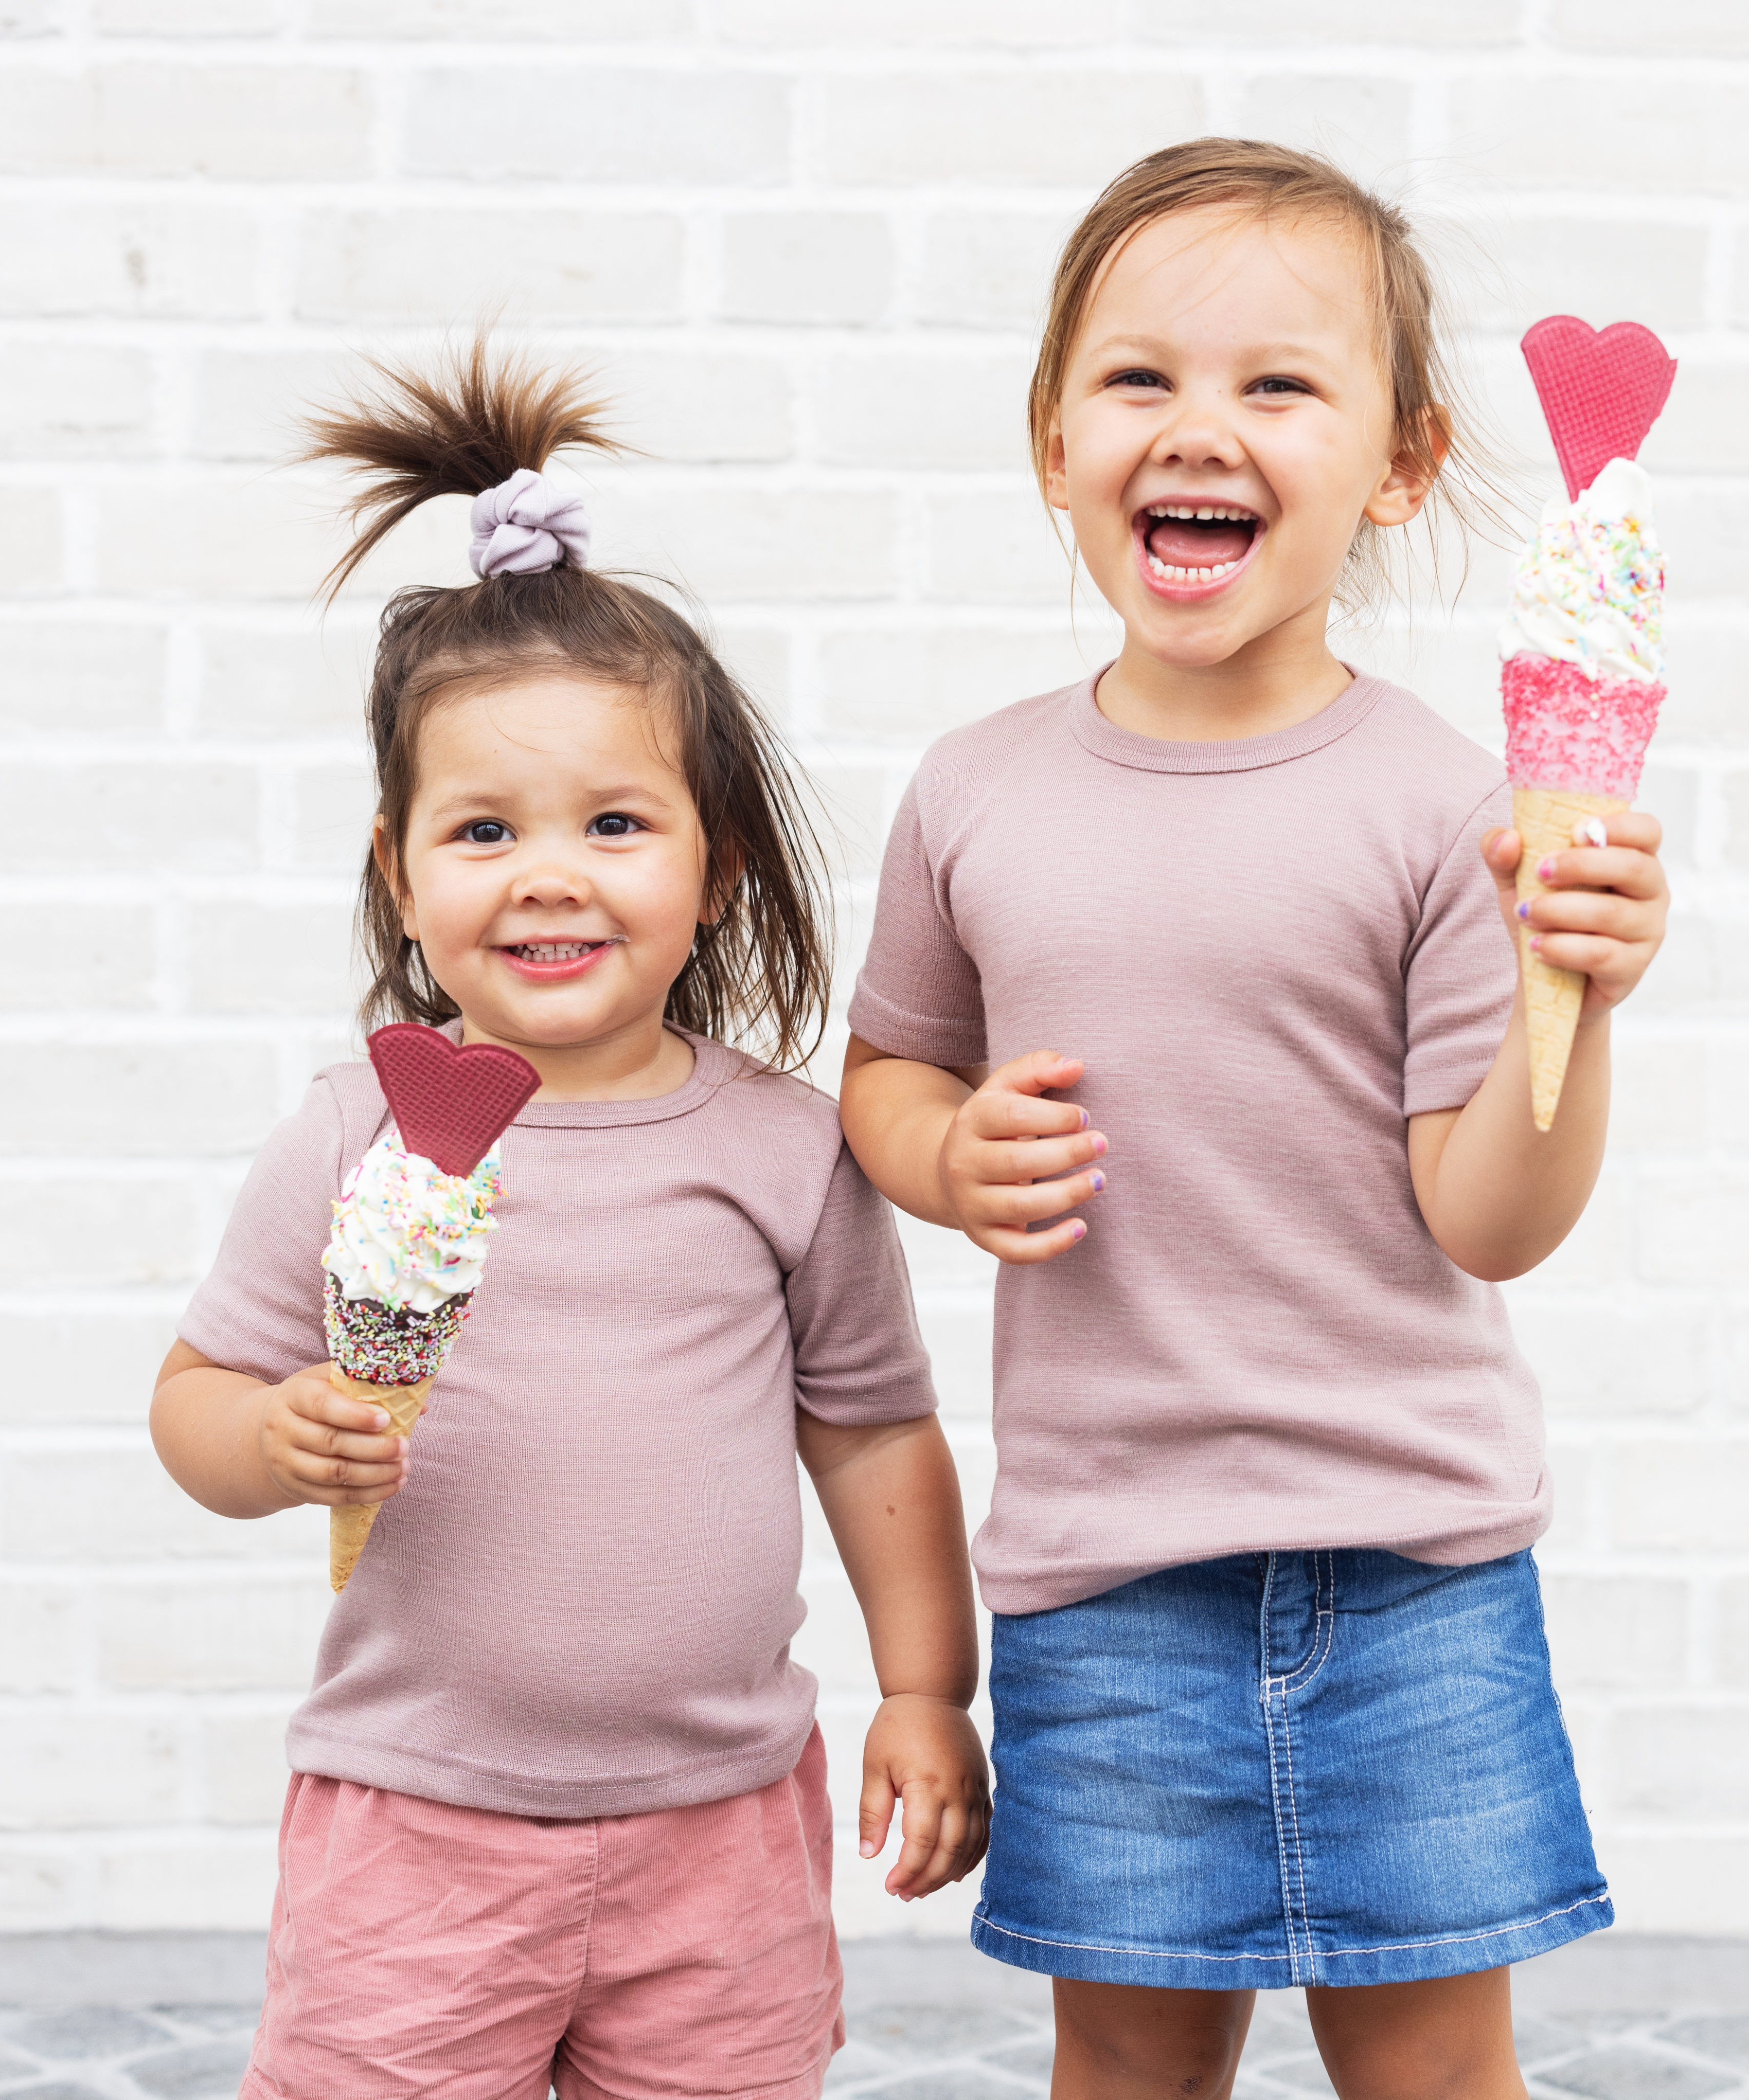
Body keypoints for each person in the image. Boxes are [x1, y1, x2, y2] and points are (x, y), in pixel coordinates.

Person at [836, 140, 1672, 2099]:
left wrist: (1582, 1000)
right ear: (1052, 444)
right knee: (1125, 2065)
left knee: (1434, 2070)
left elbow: (1489, 1214)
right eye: (1138, 380)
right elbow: (884, 1070)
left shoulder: (1456, 809)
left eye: (1277, 384)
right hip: (1103, 1574)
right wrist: (941, 1154)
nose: (1196, 427)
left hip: (1413, 1571)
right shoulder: (971, 795)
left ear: (1398, 460)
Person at [149, 343, 988, 2100]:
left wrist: (927, 1687)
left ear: (715, 868)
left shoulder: (781, 1152)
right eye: (482, 829)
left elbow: (873, 1433)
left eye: (614, 821)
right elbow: (194, 1401)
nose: (546, 870)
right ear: (401, 871)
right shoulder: (354, 1133)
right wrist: (270, 1434)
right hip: (417, 1824)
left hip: (720, 1831)